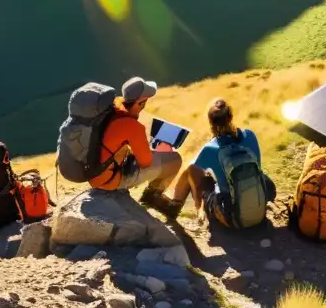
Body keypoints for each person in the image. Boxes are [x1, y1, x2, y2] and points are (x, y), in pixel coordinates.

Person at [170, 98, 276, 227]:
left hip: (230, 217)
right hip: (259, 208)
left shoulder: (210, 147)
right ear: (231, 117)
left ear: (210, 122)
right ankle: (179, 206)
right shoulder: (250, 134)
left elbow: (194, 170)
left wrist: (199, 196)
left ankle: (175, 207)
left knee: (190, 170)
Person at [89, 76, 182, 210]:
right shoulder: (133, 126)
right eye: (145, 101)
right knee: (175, 160)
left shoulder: (111, 112)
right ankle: (151, 197)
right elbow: (145, 163)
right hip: (109, 181)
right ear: (141, 103)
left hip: (94, 175)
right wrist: (153, 151)